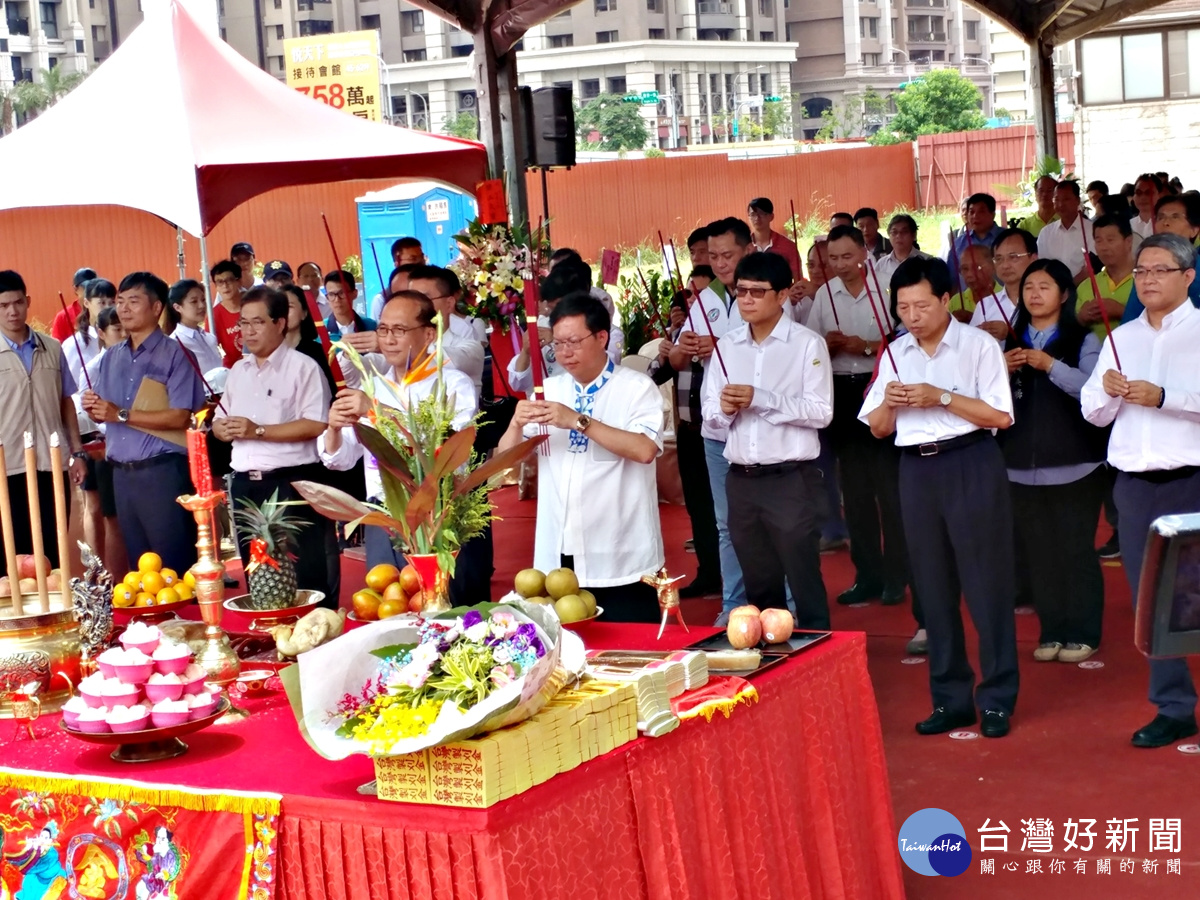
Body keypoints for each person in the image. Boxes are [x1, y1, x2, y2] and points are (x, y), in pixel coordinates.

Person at [861, 256, 1018, 738]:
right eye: (903, 306)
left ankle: (996, 699)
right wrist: (890, 399)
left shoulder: (978, 346)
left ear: (946, 300)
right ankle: (950, 698)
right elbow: (879, 429)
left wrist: (941, 397)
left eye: (921, 305)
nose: (912, 316)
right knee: (931, 586)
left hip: (970, 461)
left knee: (985, 584)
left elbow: (1000, 417)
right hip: (916, 470)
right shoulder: (894, 353)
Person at [1081, 233, 1200, 748]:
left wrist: (1165, 397)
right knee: (1151, 601)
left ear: (1188, 276)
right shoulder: (1120, 336)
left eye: (1160, 270)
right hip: (1133, 487)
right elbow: (1092, 411)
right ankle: (1175, 706)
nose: (1148, 279)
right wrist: (1107, 392)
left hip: (1190, 482)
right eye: (1143, 270)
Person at [499, 292, 663, 622]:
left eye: (574, 341)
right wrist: (516, 424)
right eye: (558, 344)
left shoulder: (635, 387)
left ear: (602, 337)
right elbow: (505, 462)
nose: (565, 353)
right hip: (559, 549)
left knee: (630, 651)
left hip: (620, 549)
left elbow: (645, 450)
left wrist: (577, 420)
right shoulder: (550, 389)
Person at [320, 291, 490, 605]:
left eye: (399, 330)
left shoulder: (452, 384)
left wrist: (376, 410)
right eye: (383, 330)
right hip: (384, 516)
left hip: (438, 520)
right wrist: (332, 428)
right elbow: (341, 460)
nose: (389, 339)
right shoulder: (373, 387)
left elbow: (450, 445)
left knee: (447, 613)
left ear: (428, 334)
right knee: (391, 611)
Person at [701, 252, 832, 628]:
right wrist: (725, 409)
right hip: (741, 478)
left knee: (803, 578)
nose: (746, 300)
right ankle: (773, 663)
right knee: (759, 586)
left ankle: (819, 657)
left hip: (790, 478)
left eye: (758, 292)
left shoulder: (806, 344)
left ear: (783, 295)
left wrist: (762, 399)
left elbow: (821, 411)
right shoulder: (726, 346)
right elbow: (711, 420)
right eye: (741, 291)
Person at [1001, 259, 1107, 663]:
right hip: (1019, 465)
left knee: (1075, 549)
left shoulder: (1084, 340)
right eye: (1029, 286)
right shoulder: (1008, 342)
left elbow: (1093, 392)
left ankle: (1083, 631)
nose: (1034, 293)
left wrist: (1050, 366)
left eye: (1045, 286)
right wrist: (1001, 371)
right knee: (1038, 552)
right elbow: (987, 399)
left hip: (1075, 463)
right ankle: (1052, 630)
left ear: (1064, 294)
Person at [812, 226, 915, 611]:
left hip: (881, 389)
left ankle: (896, 576)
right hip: (843, 392)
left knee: (889, 491)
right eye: (832, 258)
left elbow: (906, 338)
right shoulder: (824, 295)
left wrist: (867, 346)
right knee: (854, 494)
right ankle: (866, 575)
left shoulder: (888, 287)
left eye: (846, 256)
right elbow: (810, 350)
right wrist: (828, 345)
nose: (840, 265)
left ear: (864, 253)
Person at [212, 287, 335, 605]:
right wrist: (221, 429)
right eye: (243, 323)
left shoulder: (303, 367)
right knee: (258, 575)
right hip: (244, 486)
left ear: (280, 323)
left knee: (303, 575)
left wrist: (259, 430)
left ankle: (311, 642)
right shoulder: (239, 370)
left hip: (290, 484)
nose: (247, 331)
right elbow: (219, 417)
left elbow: (316, 424)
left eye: (257, 322)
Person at [82, 272, 206, 575]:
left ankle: (185, 623)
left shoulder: (176, 354)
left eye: (133, 301)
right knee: (140, 568)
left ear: (156, 308)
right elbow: (106, 412)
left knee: (173, 566)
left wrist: (119, 414)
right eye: (120, 301)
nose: (123, 308)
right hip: (122, 475)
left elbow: (181, 416)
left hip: (162, 471)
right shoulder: (111, 357)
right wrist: (95, 408)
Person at [669, 217, 751, 625]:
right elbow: (678, 359)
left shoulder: (763, 291)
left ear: (747, 251)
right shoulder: (707, 298)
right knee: (724, 523)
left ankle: (781, 602)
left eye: (727, 255)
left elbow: (765, 351)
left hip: (759, 422)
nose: (719, 264)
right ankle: (733, 603)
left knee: (769, 521)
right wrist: (685, 347)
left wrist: (716, 345)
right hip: (715, 422)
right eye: (712, 256)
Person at [0, 270, 87, 577]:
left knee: (53, 550)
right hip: (7, 467)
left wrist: (76, 451)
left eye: (18, 302)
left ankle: (56, 620)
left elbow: (66, 402)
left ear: (28, 302)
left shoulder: (52, 347)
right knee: (12, 553)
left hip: (52, 463)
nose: (12, 311)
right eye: (3, 305)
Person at [74, 306, 128, 577]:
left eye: (124, 327)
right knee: (104, 512)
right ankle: (98, 570)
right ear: (102, 333)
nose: (123, 333)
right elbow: (87, 408)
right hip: (102, 447)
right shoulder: (95, 367)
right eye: (117, 329)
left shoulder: (132, 359)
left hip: (127, 445)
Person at [508, 261, 590, 394]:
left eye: (558, 304)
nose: (550, 310)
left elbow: (593, 369)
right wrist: (525, 352)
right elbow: (517, 384)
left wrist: (557, 339)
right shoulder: (541, 325)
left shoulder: (593, 325)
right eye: (549, 305)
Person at [1118, 193, 1200, 323]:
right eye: (1160, 217)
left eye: (1175, 217)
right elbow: (1132, 315)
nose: (1166, 223)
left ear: (1194, 230)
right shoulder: (1145, 267)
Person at [408, 265, 486, 391]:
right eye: (409, 299)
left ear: (449, 303)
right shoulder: (400, 349)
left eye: (424, 299)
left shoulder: (471, 348)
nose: (415, 307)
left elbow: (446, 361)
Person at [1075, 214, 1134, 340]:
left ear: (1128, 241)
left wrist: (1121, 311)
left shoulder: (1147, 280)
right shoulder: (1086, 286)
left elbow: (1163, 322)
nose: (1104, 247)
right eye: (1098, 241)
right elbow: (1070, 330)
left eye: (1110, 240)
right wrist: (1081, 318)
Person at [280, 285, 338, 397]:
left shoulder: (319, 353)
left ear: (304, 313)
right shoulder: (267, 351)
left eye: (289, 307)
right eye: (278, 307)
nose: (282, 312)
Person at [1037, 180, 1094, 283]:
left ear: (1077, 200)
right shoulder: (1046, 233)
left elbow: (1092, 266)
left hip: (1084, 288)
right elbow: (1041, 266)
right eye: (1056, 199)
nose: (1060, 204)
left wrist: (1071, 286)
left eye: (1066, 199)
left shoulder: (1091, 230)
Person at [63, 278, 115, 391]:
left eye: (112, 303)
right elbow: (70, 387)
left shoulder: (122, 337)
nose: (108, 308)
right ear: (86, 303)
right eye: (102, 303)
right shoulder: (73, 345)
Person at [166, 279, 224, 375]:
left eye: (203, 300)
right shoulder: (174, 344)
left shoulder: (209, 338)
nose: (201, 305)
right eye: (194, 301)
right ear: (177, 307)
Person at [948, 193, 1004, 290]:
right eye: (971, 212)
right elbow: (951, 279)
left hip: (1003, 300)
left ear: (993, 214)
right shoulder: (958, 244)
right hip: (968, 302)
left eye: (981, 212)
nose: (975, 216)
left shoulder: (1007, 239)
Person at [746, 197, 802, 280]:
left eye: (762, 213)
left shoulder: (788, 246)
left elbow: (798, 279)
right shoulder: (744, 246)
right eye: (753, 214)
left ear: (771, 216)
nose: (757, 218)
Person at [875, 214, 929, 287]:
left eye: (904, 232)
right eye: (894, 232)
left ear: (914, 235)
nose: (898, 236)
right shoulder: (881, 264)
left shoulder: (927, 262)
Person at [210, 260, 245, 367]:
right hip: (231, 368)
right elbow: (213, 346)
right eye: (220, 282)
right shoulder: (214, 315)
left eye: (229, 280)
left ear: (239, 281)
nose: (225, 286)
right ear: (215, 286)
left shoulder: (254, 304)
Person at [323, 269, 376, 340]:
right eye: (331, 294)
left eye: (342, 293)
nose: (337, 300)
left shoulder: (371, 327)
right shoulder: (320, 330)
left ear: (355, 294)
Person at [50, 267, 98, 342]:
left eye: (94, 287)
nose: (90, 290)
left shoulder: (104, 311)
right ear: (76, 289)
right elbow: (57, 348)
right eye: (85, 287)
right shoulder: (63, 317)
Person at [1131, 173, 1162, 240]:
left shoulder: (1165, 224)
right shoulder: (1128, 225)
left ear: (1160, 195)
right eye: (1138, 193)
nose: (1143, 197)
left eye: (1148, 193)